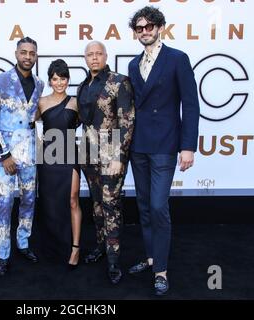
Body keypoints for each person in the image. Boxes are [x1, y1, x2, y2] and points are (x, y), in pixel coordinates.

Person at [127, 6, 200, 295]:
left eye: (150, 26)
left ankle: (161, 270)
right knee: (144, 206)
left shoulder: (177, 59)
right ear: (135, 32)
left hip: (166, 145)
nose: (145, 31)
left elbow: (191, 105)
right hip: (139, 145)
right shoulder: (133, 65)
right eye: (140, 27)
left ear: (160, 28)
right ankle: (150, 257)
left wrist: (187, 147)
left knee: (158, 206)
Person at [0, 37, 44, 275]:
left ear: (36, 56)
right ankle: (3, 254)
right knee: (5, 204)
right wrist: (4, 154)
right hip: (5, 157)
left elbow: (34, 119)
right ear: (16, 54)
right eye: (23, 52)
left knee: (29, 201)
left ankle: (23, 242)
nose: (27, 56)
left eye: (31, 53)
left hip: (29, 156)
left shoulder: (40, 84)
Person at [77, 41, 135, 284]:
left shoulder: (119, 82)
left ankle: (113, 260)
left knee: (111, 206)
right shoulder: (83, 85)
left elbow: (127, 121)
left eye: (98, 53)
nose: (94, 58)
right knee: (97, 204)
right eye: (90, 54)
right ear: (85, 58)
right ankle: (101, 247)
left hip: (111, 156)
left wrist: (119, 157)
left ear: (105, 56)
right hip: (88, 155)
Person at [37, 59, 82, 268]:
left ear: (68, 80)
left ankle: (75, 248)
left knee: (73, 199)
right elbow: (31, 127)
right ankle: (51, 247)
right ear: (50, 80)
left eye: (63, 79)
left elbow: (85, 124)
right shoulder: (42, 102)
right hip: (48, 157)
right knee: (49, 203)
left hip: (70, 155)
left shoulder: (75, 102)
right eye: (55, 79)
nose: (59, 83)